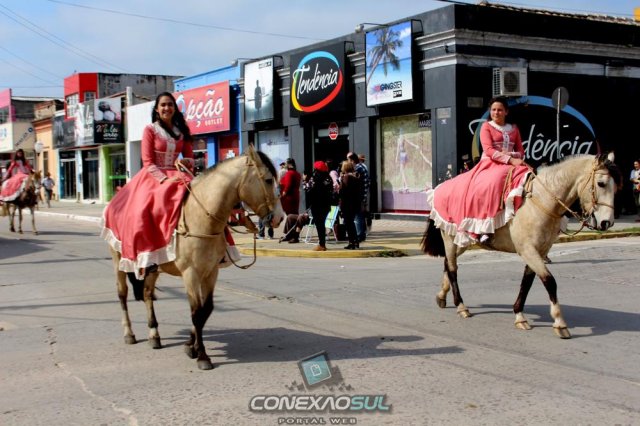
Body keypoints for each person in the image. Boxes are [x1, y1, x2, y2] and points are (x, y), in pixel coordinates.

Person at [101, 92, 215, 278]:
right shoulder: (150, 130)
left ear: (175, 108)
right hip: (153, 177)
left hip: (178, 174)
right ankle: (147, 257)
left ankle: (216, 247)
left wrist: (186, 162)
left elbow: (190, 158)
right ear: (156, 109)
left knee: (204, 201)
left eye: (170, 104)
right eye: (163, 105)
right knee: (143, 211)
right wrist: (164, 180)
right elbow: (148, 161)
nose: (166, 108)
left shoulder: (182, 130)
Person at [428, 96, 530, 247]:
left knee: (530, 176)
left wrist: (512, 155)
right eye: (493, 110)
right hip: (490, 164)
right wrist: (509, 159)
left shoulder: (514, 129)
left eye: (500, 110)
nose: (496, 112)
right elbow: (488, 151)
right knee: (493, 183)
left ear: (506, 112)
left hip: (512, 164)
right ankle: (483, 228)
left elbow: (521, 151)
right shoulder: (486, 127)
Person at [303, 160, 334, 251]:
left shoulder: (315, 178)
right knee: (322, 224)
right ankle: (322, 243)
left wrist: (304, 180)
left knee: (319, 225)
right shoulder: (328, 178)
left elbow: (306, 188)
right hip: (326, 205)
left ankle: (322, 245)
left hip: (316, 205)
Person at [338, 160, 362, 249]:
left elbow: (342, 191)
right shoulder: (355, 177)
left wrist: (340, 182)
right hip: (354, 203)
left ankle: (352, 242)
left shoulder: (347, 177)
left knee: (348, 224)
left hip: (347, 204)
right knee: (351, 223)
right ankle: (355, 242)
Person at [347, 152, 369, 242]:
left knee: (358, 215)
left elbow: (354, 182)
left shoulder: (358, 168)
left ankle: (360, 235)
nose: (347, 161)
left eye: (348, 159)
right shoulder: (361, 166)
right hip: (362, 194)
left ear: (352, 160)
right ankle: (362, 234)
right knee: (360, 214)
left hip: (359, 195)